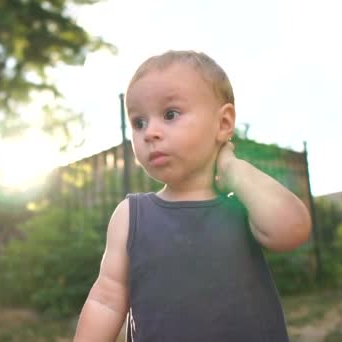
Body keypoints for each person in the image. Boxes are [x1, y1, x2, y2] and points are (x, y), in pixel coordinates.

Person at [74, 50, 311, 341]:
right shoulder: (131, 214)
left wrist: (234, 169)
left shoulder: (242, 205)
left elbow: (293, 230)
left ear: (223, 123)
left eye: (170, 114)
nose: (150, 133)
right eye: (139, 122)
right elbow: (106, 300)